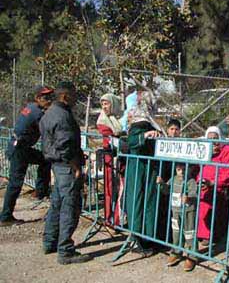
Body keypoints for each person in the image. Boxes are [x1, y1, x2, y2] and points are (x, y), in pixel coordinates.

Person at [40, 81, 91, 264]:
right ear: (64, 96)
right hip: (66, 166)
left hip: (56, 165)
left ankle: (50, 241)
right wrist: (76, 167)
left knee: (57, 204)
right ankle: (66, 250)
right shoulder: (62, 116)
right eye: (73, 94)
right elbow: (64, 144)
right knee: (70, 207)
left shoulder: (49, 113)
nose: (76, 98)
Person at [0, 85, 53, 227]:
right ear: (38, 98)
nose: (49, 100)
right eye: (46, 97)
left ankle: (40, 192)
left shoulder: (31, 107)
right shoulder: (38, 113)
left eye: (50, 97)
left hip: (19, 145)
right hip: (20, 148)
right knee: (15, 183)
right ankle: (5, 217)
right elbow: (48, 130)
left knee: (44, 160)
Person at [124, 106, 161, 253]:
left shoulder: (149, 128)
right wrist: (145, 136)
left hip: (148, 171)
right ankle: (139, 238)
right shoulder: (138, 129)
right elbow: (131, 142)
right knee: (138, 203)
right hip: (139, 171)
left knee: (146, 203)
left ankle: (147, 238)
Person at [197, 126, 229, 245]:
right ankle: (201, 233)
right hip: (203, 183)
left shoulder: (227, 150)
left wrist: (213, 182)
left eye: (215, 138)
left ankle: (210, 235)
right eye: (210, 139)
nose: (213, 141)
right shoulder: (204, 150)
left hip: (219, 185)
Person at [156, 163, 198, 272]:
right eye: (179, 169)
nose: (182, 172)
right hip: (175, 211)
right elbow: (166, 191)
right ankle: (176, 252)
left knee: (189, 234)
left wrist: (188, 198)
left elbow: (195, 195)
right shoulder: (173, 179)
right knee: (176, 232)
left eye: (184, 169)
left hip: (188, 211)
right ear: (175, 169)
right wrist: (161, 184)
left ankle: (192, 256)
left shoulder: (191, 181)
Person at [96, 93, 124, 226]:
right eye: (102, 104)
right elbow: (112, 135)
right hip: (109, 157)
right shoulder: (103, 120)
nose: (104, 106)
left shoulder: (118, 118)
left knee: (119, 189)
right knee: (109, 188)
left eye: (107, 103)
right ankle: (109, 218)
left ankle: (117, 219)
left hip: (119, 157)